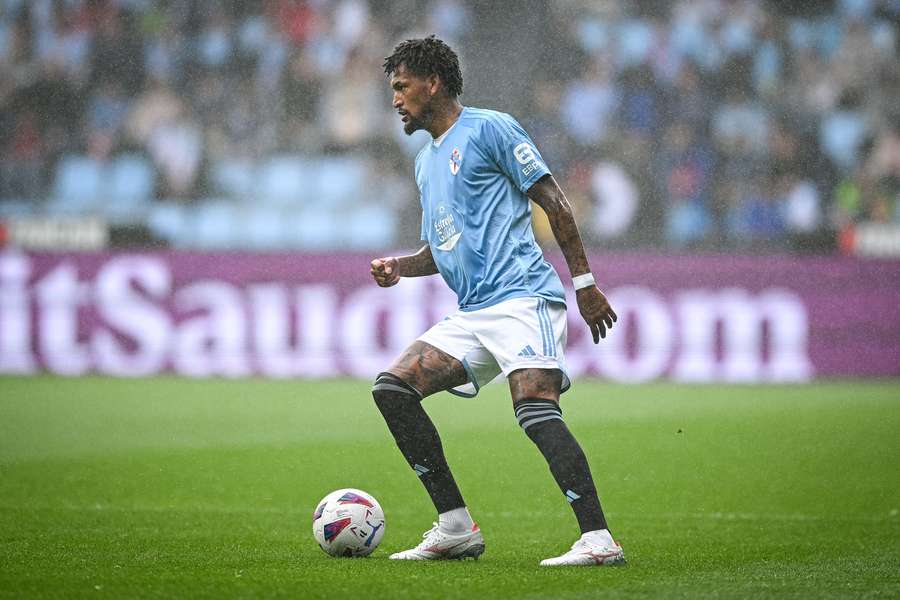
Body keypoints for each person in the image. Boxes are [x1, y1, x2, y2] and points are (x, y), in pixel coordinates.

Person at [370, 36, 623, 567]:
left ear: (432, 83)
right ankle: (455, 527)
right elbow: (440, 251)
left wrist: (584, 284)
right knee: (393, 389)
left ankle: (598, 539)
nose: (395, 99)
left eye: (401, 87)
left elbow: (555, 201)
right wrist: (402, 266)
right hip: (474, 312)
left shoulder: (491, 128)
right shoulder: (425, 162)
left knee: (533, 409)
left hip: (523, 297)